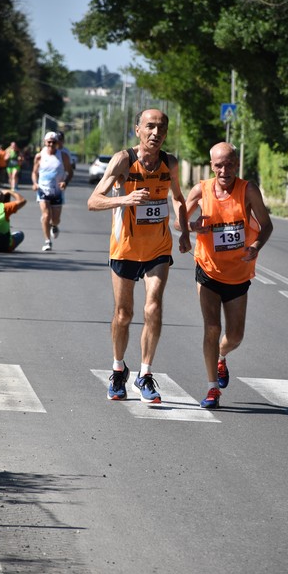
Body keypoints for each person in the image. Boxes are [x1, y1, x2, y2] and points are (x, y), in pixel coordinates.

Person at [87, 108, 191, 404]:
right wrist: (125, 198)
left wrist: (183, 231)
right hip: (125, 249)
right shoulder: (123, 160)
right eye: (150, 127)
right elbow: (93, 201)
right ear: (138, 130)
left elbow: (179, 199)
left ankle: (144, 375)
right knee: (124, 314)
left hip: (158, 249)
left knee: (153, 307)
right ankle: (119, 369)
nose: (156, 133)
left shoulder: (169, 162)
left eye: (161, 128)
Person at [177, 142, 273, 409]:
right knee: (212, 327)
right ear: (211, 166)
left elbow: (267, 225)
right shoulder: (202, 189)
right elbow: (179, 219)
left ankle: (222, 355)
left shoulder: (248, 190)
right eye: (218, 165)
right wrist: (190, 227)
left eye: (229, 164)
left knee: (235, 336)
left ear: (237, 164)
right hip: (208, 270)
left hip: (239, 274)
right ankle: (212, 389)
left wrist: (255, 246)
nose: (224, 170)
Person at [31, 131, 73, 252]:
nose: (51, 144)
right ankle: (47, 241)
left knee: (55, 219)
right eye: (48, 142)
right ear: (44, 142)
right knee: (46, 215)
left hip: (57, 191)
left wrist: (65, 182)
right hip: (43, 189)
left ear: (57, 143)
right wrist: (34, 183)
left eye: (53, 142)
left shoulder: (63, 156)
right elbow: (34, 172)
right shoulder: (39, 156)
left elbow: (70, 173)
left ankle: (54, 226)